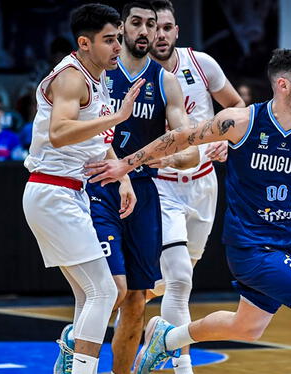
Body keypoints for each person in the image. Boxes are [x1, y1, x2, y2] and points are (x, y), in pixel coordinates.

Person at [86, 48, 291, 374]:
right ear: (283, 85)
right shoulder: (241, 122)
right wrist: (125, 165)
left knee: (247, 327)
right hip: (250, 248)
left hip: (285, 245)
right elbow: (181, 138)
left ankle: (168, 338)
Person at [21, 4, 143, 374]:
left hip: (70, 192)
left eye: (119, 38)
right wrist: (119, 116)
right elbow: (59, 133)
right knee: (105, 292)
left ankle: (71, 364)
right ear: (84, 43)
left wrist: (122, 176)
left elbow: (97, 136)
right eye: (109, 40)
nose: (118, 47)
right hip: (52, 190)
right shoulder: (71, 78)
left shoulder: (98, 77)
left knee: (87, 294)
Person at [85, 2, 195, 373]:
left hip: (145, 195)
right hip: (99, 186)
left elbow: (189, 153)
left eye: (152, 23)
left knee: (136, 299)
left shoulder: (165, 81)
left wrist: (169, 158)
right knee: (105, 290)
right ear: (122, 29)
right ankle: (75, 354)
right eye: (137, 23)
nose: (146, 31)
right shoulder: (97, 74)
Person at [147, 1, 245, 372]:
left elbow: (235, 105)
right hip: (162, 185)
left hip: (204, 183)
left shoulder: (202, 64)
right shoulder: (137, 76)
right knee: (180, 281)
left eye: (167, 27)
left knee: (173, 277)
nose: (160, 35)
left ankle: (131, 304)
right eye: (154, 28)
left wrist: (227, 138)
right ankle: (181, 367)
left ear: (177, 31)